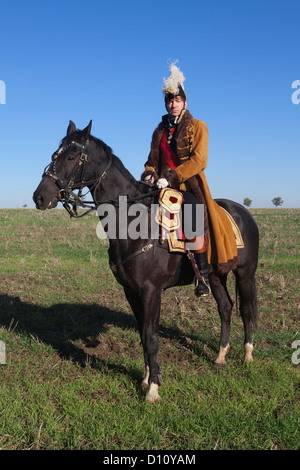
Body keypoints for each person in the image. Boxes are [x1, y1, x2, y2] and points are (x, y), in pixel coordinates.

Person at [141, 62, 239, 296]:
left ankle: (202, 275)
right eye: (169, 101)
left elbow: (199, 160)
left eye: (176, 100)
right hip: (161, 185)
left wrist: (172, 176)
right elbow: (151, 161)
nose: (172, 105)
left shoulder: (198, 126)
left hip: (188, 184)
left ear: (185, 102)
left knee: (194, 209)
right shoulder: (159, 131)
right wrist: (149, 175)